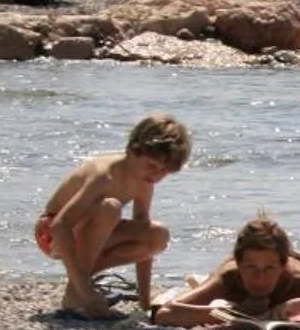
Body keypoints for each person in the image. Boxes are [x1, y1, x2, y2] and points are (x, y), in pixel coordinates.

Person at [35, 114, 190, 318]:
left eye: (164, 171)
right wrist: (86, 292)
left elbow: (143, 231)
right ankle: (77, 294)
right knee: (110, 207)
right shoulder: (103, 175)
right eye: (152, 165)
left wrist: (145, 302)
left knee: (157, 235)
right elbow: (60, 225)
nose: (156, 175)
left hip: (92, 234)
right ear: (133, 150)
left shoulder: (144, 182)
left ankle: (81, 285)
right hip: (53, 235)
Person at [150, 216, 300, 329]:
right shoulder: (229, 278)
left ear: (281, 266)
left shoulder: (298, 281)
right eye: (250, 268)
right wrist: (227, 314)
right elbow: (165, 313)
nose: (259, 278)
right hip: (275, 258)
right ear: (239, 264)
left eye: (269, 269)